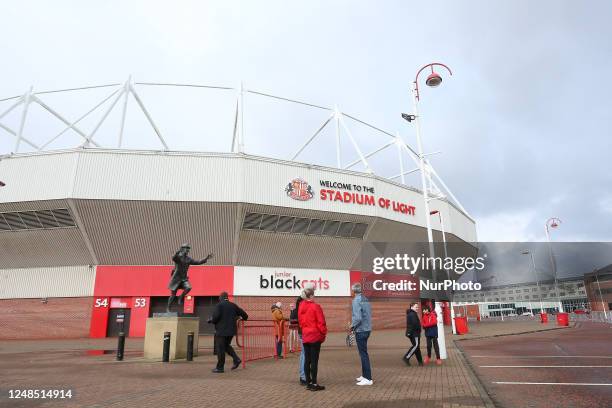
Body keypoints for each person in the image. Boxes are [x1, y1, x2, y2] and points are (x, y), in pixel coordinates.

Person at [167, 243, 213, 312]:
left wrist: (206, 258)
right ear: (182, 249)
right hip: (176, 279)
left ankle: (181, 297)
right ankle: (168, 308)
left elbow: (198, 262)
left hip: (184, 278)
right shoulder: (178, 257)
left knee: (188, 288)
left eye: (188, 249)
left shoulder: (188, 259)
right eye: (186, 248)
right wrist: (176, 253)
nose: (188, 250)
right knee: (173, 295)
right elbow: (174, 258)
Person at [210, 291, 248, 373]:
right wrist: (241, 319)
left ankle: (220, 368)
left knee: (220, 349)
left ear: (220, 298)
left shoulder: (219, 305)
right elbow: (245, 315)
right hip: (231, 331)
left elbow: (215, 318)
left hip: (221, 331)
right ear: (227, 297)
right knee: (226, 346)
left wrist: (211, 320)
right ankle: (236, 359)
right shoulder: (233, 305)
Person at [298, 286, 327, 391]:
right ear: (311, 296)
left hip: (305, 335)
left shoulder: (301, 306)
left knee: (307, 360)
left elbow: (300, 322)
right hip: (314, 336)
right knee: (314, 361)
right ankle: (314, 383)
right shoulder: (316, 307)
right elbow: (321, 322)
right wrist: (323, 333)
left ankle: (309, 382)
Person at [350, 283, 373, 386]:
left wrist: (352, 326)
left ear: (354, 291)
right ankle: (365, 375)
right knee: (363, 353)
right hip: (367, 329)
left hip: (361, 330)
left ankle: (368, 378)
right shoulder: (365, 299)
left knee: (363, 354)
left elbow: (358, 317)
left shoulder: (356, 300)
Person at [290, 296, 307, 385]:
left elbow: (292, 320)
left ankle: (303, 375)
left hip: (301, 332)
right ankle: (304, 376)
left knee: (303, 354)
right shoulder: (302, 310)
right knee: (304, 354)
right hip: (305, 332)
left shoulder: (296, 310)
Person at [403, 302, 423, 366]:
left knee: (417, 347)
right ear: (411, 307)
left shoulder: (412, 313)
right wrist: (419, 330)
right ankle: (406, 357)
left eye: (417, 307)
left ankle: (420, 362)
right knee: (416, 346)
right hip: (414, 333)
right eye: (416, 307)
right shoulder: (412, 314)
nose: (417, 308)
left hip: (413, 333)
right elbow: (415, 324)